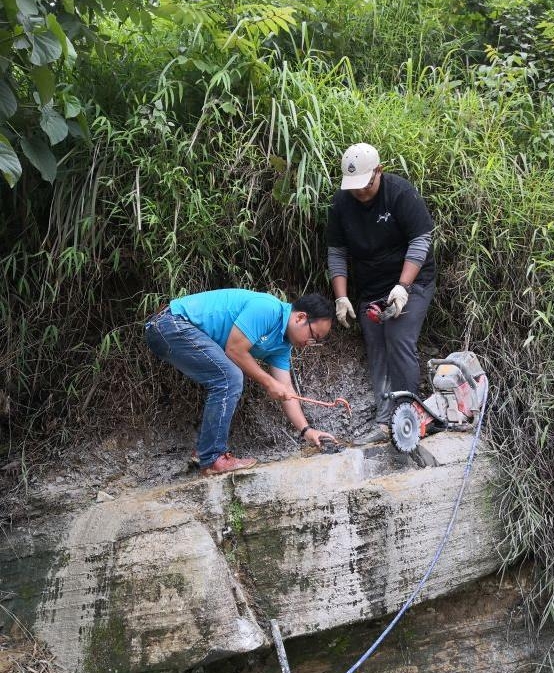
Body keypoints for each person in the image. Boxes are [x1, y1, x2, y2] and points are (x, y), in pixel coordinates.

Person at [145, 288, 337, 475]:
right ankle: (212, 458)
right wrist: (269, 383)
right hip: (170, 324)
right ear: (301, 318)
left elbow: (287, 391)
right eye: (313, 336)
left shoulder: (282, 346)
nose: (309, 343)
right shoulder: (268, 309)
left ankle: (205, 452)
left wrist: (307, 431)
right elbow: (235, 350)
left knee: (226, 376)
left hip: (175, 330)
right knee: (230, 377)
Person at [327, 143, 436, 445]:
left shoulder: (400, 194)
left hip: (412, 281)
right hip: (371, 287)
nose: (360, 192)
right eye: (354, 187)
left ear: (378, 171)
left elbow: (420, 240)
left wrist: (402, 287)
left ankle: (409, 415)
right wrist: (341, 297)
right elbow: (337, 252)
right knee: (376, 344)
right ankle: (384, 420)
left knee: (398, 337)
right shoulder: (341, 205)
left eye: (365, 184)